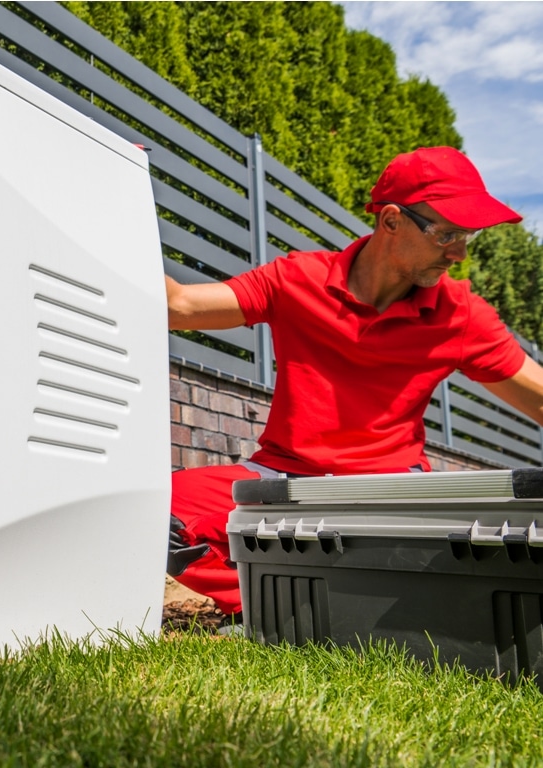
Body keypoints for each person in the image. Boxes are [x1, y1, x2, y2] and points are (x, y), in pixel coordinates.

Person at [165, 146, 543, 617]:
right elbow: (178, 307)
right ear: (391, 220)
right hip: (284, 481)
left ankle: (322, 603)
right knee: (160, 514)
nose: (460, 254)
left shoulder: (461, 315)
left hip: (392, 492)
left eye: (467, 236)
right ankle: (280, 607)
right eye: (447, 234)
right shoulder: (295, 280)